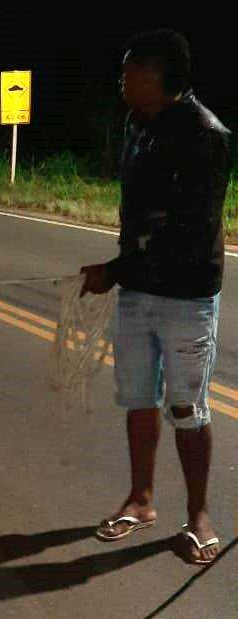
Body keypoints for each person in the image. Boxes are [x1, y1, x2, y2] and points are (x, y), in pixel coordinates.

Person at [80, 30, 231, 565]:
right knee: (139, 398)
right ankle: (140, 500)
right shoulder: (136, 125)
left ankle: (198, 517)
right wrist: (123, 270)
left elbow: (191, 231)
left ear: (155, 75)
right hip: (138, 290)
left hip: (187, 297)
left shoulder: (206, 135)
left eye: (129, 71)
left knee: (187, 407)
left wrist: (115, 269)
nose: (121, 80)